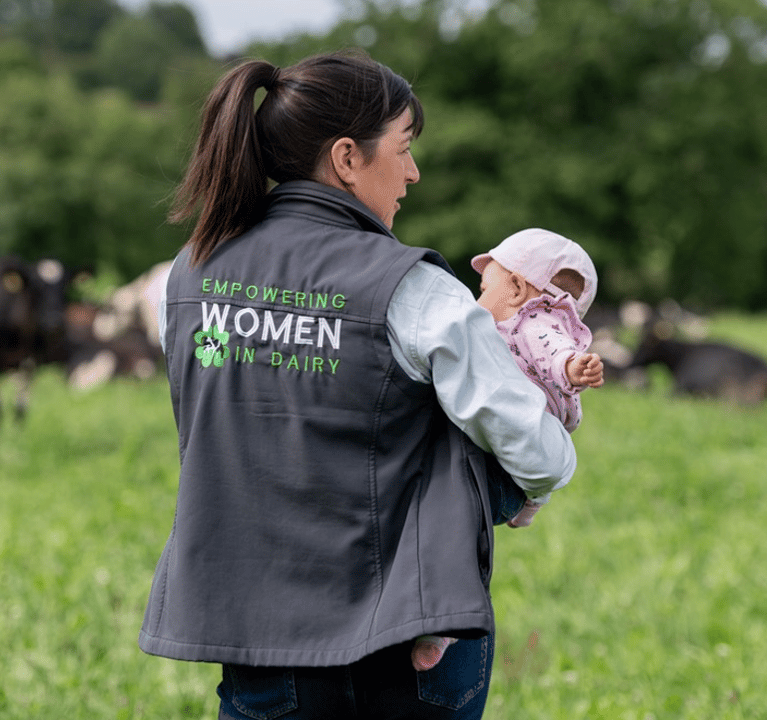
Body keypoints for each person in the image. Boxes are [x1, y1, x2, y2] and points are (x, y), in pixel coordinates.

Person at [138, 50, 577, 720]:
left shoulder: (188, 276)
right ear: (347, 158)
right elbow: (541, 455)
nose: (413, 171)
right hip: (401, 645)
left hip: (254, 640)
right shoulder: (417, 292)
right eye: (403, 149)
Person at [410, 228, 604, 672]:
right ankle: (533, 501)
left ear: (516, 288)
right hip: (529, 441)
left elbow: (556, 351)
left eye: (485, 287)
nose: (479, 298)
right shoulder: (530, 322)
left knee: (454, 521)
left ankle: (442, 626)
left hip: (513, 442)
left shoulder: (534, 323)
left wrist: (573, 367)